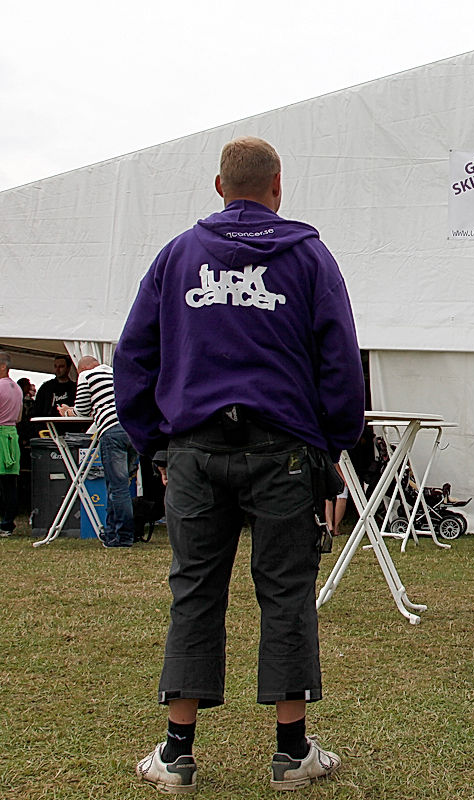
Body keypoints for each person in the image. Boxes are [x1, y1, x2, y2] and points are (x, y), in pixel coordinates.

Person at [114, 136, 365, 793]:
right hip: (282, 450)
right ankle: (291, 753)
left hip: (195, 449)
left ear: (219, 187)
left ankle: (176, 753)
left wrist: (153, 442)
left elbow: (133, 356)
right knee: (285, 592)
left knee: (193, 591)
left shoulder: (177, 257)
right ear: (278, 186)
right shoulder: (308, 257)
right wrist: (331, 445)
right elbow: (340, 359)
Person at [58, 356, 139, 548]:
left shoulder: (87, 376)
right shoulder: (116, 373)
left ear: (81, 369)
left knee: (116, 487)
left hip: (112, 430)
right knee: (123, 486)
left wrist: (66, 411)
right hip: (133, 430)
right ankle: (113, 534)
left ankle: (123, 537)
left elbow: (82, 411)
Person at [0, 352, 22, 535]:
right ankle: (8, 523)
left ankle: (4, 523)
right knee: (10, 483)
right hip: (12, 434)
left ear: (2, 367)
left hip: (1, 434)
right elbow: (20, 416)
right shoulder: (17, 388)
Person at [30, 355, 76, 423]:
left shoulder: (74, 388)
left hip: (70, 426)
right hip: (49, 426)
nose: (57, 370)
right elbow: (37, 409)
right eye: (55, 366)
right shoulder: (46, 387)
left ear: (68, 368)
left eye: (61, 366)